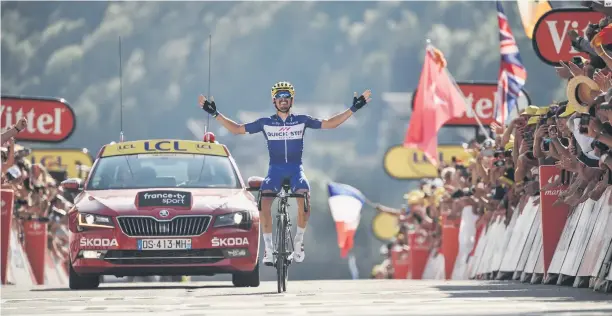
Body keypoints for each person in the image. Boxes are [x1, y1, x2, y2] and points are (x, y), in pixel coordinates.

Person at [197, 81, 372, 266]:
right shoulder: (265, 123)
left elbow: (330, 124)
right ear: (274, 101)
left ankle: (298, 241)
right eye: (279, 97)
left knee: (304, 199)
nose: (283, 100)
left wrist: (353, 108)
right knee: (264, 204)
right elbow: (237, 129)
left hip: (296, 170)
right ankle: (269, 249)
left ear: (291, 100)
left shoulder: (302, 120)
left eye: (286, 96)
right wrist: (215, 114)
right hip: (275, 171)